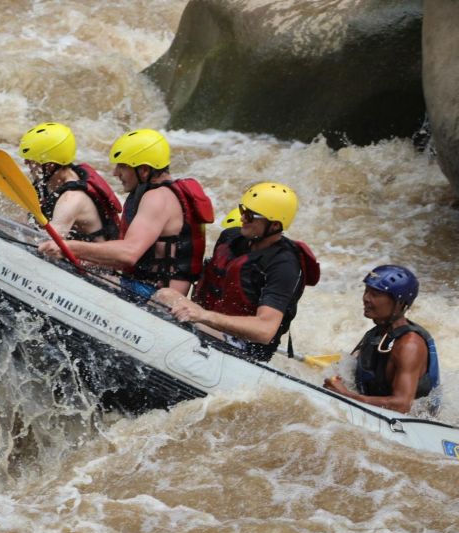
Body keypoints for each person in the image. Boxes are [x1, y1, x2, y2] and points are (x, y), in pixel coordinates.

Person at [38, 128, 214, 298]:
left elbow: (129, 254)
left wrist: (68, 246)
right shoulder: (158, 193)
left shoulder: (158, 198)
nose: (115, 173)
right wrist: (79, 257)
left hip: (155, 299)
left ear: (144, 170)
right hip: (143, 286)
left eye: (122, 166)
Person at [156, 182, 320, 362]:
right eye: (243, 211)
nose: (243, 218)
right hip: (207, 323)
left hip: (245, 346)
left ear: (274, 226)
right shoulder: (231, 237)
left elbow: (265, 330)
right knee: (165, 295)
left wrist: (203, 316)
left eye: (250, 216)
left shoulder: (284, 266)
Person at [324, 265, 440, 413]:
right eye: (366, 291)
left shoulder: (410, 345)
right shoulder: (376, 333)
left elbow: (403, 405)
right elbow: (348, 367)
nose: (366, 298)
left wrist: (347, 395)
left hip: (412, 424)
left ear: (399, 303)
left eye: (375, 294)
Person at [18, 122, 122, 241]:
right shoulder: (49, 182)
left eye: (32, 160)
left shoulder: (72, 199)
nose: (26, 163)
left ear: (51, 164)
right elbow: (25, 225)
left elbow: (48, 243)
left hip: (94, 258)